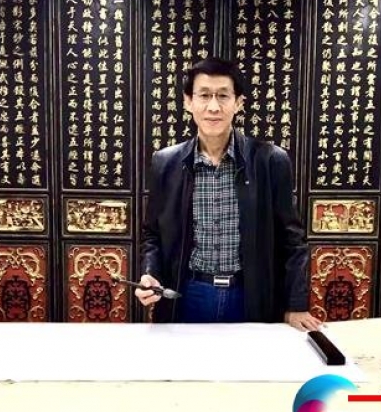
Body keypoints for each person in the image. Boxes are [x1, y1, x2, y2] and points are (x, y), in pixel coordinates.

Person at [136, 57, 321, 331]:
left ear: (238, 103)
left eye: (223, 96)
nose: (213, 107)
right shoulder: (166, 163)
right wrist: (150, 275)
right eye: (204, 95)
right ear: (188, 102)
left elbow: (292, 239)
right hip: (187, 294)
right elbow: (152, 234)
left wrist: (295, 305)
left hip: (249, 295)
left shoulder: (270, 160)